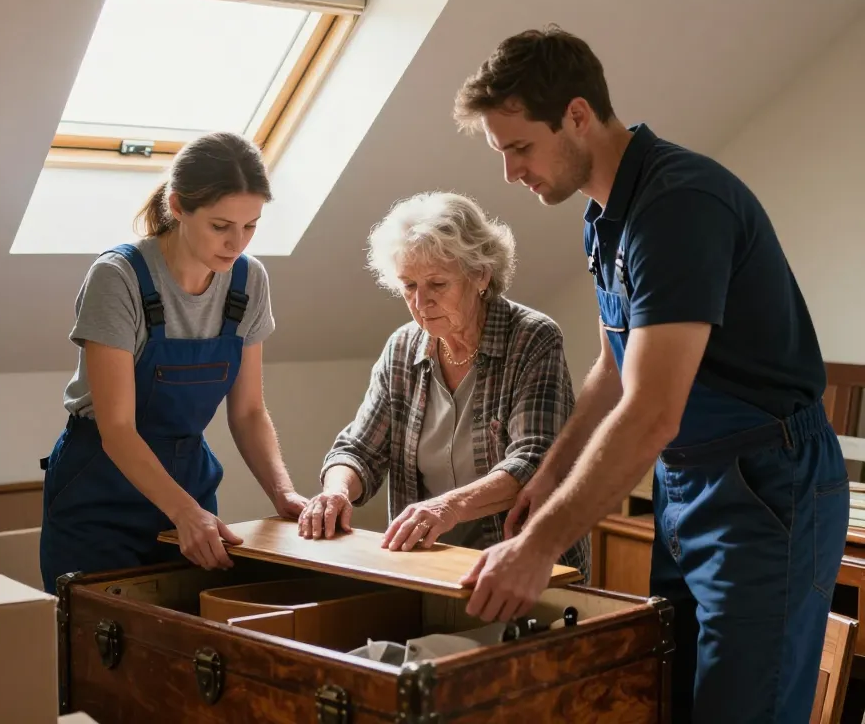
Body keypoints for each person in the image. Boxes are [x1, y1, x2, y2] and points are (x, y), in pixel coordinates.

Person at [450, 25, 849, 724]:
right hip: (685, 481)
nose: (511, 173)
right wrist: (545, 484)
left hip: (766, 484)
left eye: (519, 148)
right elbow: (612, 369)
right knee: (665, 695)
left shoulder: (679, 206)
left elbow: (651, 409)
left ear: (577, 115)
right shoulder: (604, 214)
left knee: (740, 710)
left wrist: (538, 550)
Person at [39, 132, 307, 594]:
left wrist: (283, 493)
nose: (236, 243)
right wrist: (183, 512)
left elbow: (247, 412)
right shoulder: (118, 278)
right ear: (179, 207)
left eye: (250, 226)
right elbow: (118, 428)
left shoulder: (248, 280)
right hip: (99, 492)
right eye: (221, 226)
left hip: (188, 482)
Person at [296, 190, 590, 582]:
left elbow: (534, 460)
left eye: (437, 284)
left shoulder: (532, 338)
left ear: (480, 274)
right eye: (409, 286)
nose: (421, 302)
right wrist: (335, 491)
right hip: (429, 566)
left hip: (520, 563)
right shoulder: (402, 348)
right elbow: (359, 449)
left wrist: (445, 507)